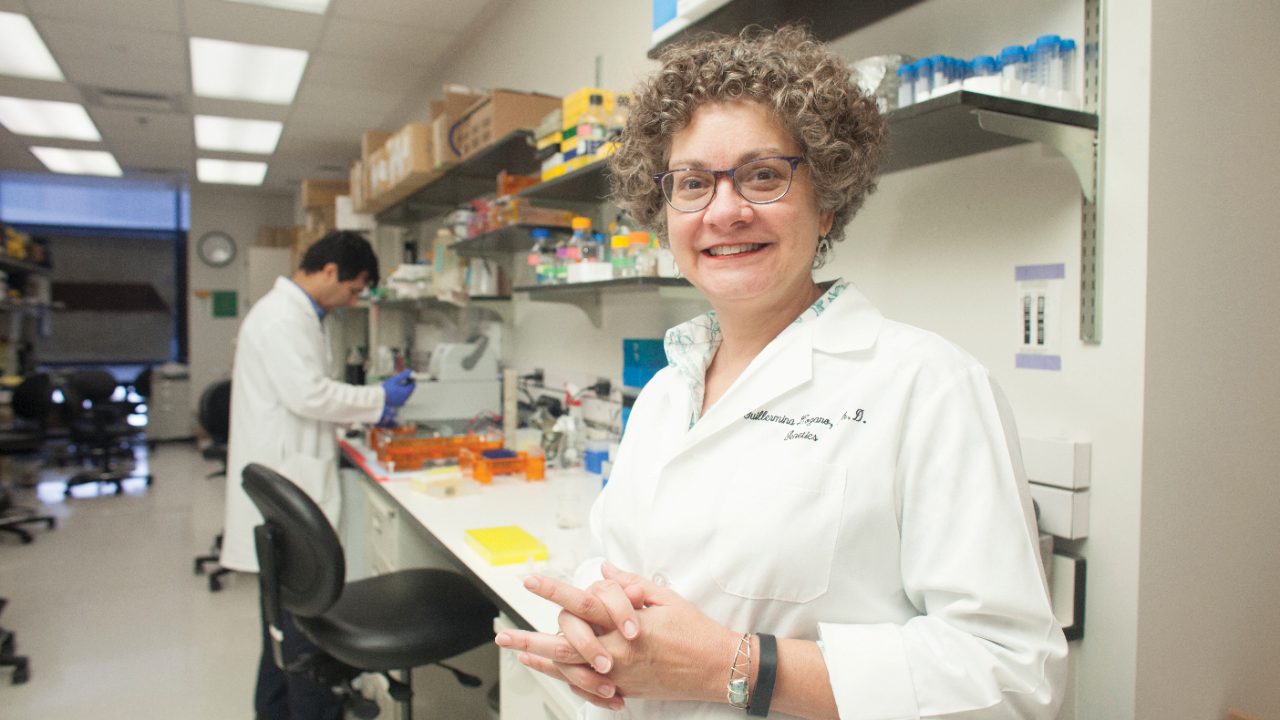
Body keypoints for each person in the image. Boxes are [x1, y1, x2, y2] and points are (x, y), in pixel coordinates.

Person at [495, 26, 1067, 719]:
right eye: (693, 183)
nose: (725, 211)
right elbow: (612, 559)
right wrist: (592, 618)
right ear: (664, 213)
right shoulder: (666, 392)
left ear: (826, 203)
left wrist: (733, 666)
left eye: (763, 175)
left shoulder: (929, 387)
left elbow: (1013, 677)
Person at [218, 230, 417, 720]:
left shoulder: (299, 315)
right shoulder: (282, 318)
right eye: (353, 289)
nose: (352, 301)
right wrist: (378, 399)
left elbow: (303, 396)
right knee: (304, 631)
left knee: (281, 627)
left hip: (286, 479)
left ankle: (274, 712)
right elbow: (307, 394)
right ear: (330, 271)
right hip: (289, 485)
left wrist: (366, 408)